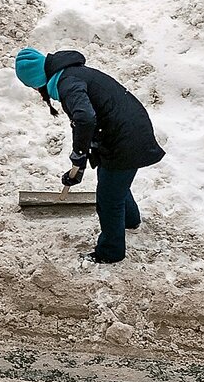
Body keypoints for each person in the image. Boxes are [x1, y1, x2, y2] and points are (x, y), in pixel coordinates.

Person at [14, 47, 165, 264]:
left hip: (125, 136)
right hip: (127, 130)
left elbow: (85, 118)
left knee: (108, 199)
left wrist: (79, 157)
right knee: (112, 180)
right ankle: (130, 220)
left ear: (37, 79)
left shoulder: (68, 84)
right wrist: (81, 163)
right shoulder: (70, 74)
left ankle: (110, 252)